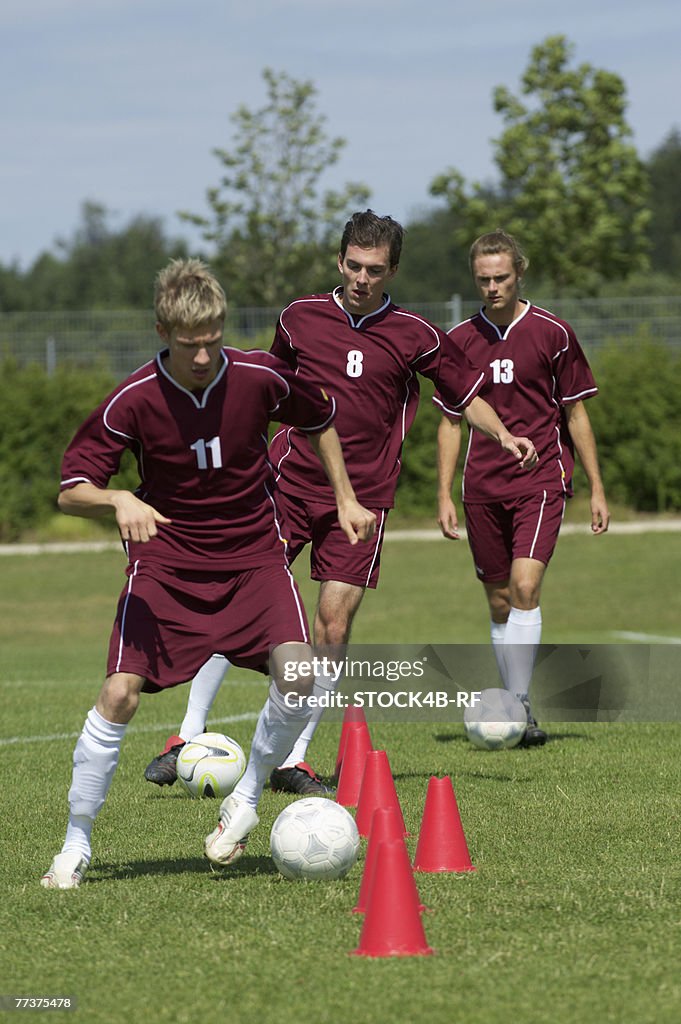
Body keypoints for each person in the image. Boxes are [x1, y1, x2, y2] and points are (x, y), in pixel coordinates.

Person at [144, 211, 538, 800]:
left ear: (392, 271)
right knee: (236, 601)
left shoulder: (416, 334)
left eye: (374, 270)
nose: (361, 278)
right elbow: (264, 388)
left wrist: (503, 434)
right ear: (339, 262)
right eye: (353, 265)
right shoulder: (298, 319)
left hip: (363, 502)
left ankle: (293, 759)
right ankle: (186, 736)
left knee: (333, 623)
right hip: (284, 484)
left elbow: (467, 394)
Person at [40, 257, 377, 889]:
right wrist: (118, 498)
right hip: (167, 564)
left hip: (253, 555)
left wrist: (345, 496)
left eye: (213, 340)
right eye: (190, 344)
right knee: (119, 695)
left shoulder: (259, 376)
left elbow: (320, 418)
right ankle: (75, 845)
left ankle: (246, 798)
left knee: (300, 673)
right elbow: (71, 488)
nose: (203, 356)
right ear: (164, 332)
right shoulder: (133, 398)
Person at [435, 229, 609, 744]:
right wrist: (442, 493)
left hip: (540, 479)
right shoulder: (459, 342)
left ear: (520, 273)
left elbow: (576, 412)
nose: (492, 287)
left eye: (501, 277)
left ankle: (520, 705)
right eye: (483, 279)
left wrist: (597, 486)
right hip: (481, 487)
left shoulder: (553, 332)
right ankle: (514, 702)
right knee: (498, 602)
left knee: (526, 588)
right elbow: (449, 422)